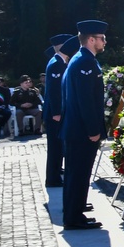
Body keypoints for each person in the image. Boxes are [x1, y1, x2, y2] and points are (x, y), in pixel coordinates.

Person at [61, 21, 108, 230]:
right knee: (79, 173)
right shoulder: (85, 62)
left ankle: (74, 210)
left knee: (76, 173)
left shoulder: (80, 59)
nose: (104, 42)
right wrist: (93, 130)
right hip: (82, 131)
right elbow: (85, 101)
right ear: (91, 39)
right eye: (102, 38)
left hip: (75, 129)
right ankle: (73, 217)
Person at [44, 35, 76, 188]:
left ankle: (56, 172)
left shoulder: (59, 62)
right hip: (54, 114)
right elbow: (54, 91)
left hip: (57, 113)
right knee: (55, 147)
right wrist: (57, 112)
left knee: (58, 146)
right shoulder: (57, 63)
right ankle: (52, 178)